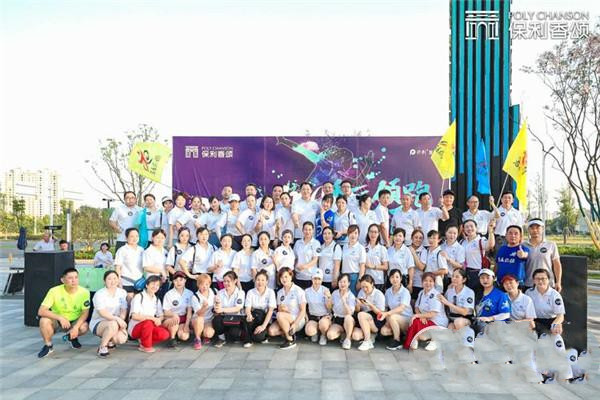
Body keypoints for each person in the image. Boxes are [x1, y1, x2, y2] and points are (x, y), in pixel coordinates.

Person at [37, 268, 90, 358]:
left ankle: (72, 336)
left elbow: (85, 312)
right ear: (63, 280)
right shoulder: (54, 291)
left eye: (76, 277)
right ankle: (48, 346)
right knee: (44, 321)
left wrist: (76, 327)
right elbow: (41, 311)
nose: (74, 280)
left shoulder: (84, 292)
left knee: (84, 327)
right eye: (70, 278)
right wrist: (60, 318)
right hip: (57, 320)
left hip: (74, 320)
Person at [403, 272, 448, 351]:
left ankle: (418, 339)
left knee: (415, 320)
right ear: (422, 282)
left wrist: (418, 316)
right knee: (415, 321)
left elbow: (433, 314)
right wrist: (421, 316)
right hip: (426, 319)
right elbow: (416, 307)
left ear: (434, 283)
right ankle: (414, 340)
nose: (428, 283)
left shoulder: (436, 295)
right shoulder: (421, 293)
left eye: (431, 281)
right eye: (425, 281)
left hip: (437, 322)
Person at [90, 270, 128, 357]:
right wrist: (117, 320)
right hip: (99, 322)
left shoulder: (122, 292)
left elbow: (123, 309)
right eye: (109, 279)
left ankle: (110, 340)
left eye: (115, 278)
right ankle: (102, 347)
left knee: (121, 339)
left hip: (115, 322)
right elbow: (102, 313)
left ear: (118, 280)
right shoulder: (99, 294)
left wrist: (121, 320)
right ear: (104, 281)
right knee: (113, 324)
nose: (112, 281)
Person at [128, 275, 170, 353]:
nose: (155, 287)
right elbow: (134, 316)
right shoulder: (139, 297)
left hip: (149, 327)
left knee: (164, 334)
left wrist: (159, 319)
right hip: (136, 328)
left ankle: (143, 341)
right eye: (153, 284)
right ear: (147, 285)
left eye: (157, 285)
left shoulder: (156, 299)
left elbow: (161, 315)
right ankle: (146, 346)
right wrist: (152, 318)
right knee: (148, 322)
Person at [268, 268, 307, 349]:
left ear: (291, 276)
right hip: (284, 318)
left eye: (286, 276)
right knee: (271, 331)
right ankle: (290, 332)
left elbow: (303, 311)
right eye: (281, 277)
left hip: (297, 319)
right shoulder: (280, 292)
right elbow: (279, 309)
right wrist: (283, 309)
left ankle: (290, 340)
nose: (284, 279)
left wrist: (295, 324)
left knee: (280, 315)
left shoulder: (298, 290)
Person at [461, 219, 496, 301]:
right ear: (464, 229)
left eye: (471, 226)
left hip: (477, 272)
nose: (469, 229)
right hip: (465, 272)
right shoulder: (462, 241)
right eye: (466, 227)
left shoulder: (480, 240)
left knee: (477, 297)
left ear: (476, 228)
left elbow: (490, 245)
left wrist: (490, 231)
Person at [524, 218, 562, 292]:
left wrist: (558, 282)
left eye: (538, 227)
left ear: (543, 229)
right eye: (532, 228)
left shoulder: (551, 245)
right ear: (528, 230)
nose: (535, 230)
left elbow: (557, 264)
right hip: (529, 284)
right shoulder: (523, 245)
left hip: (547, 284)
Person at [526, 269, 565, 340]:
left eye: (543, 278)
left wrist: (555, 324)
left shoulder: (554, 294)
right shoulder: (529, 293)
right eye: (537, 279)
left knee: (556, 338)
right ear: (534, 280)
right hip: (535, 321)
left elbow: (560, 315)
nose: (540, 281)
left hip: (551, 321)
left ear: (548, 280)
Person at [242, 270, 276, 347]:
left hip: (265, 318)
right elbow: (247, 307)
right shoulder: (250, 292)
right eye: (258, 280)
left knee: (258, 337)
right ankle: (248, 340)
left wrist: (263, 326)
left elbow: (270, 311)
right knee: (248, 318)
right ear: (255, 280)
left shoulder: (270, 292)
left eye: (263, 280)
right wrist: (249, 315)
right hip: (254, 317)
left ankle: (262, 334)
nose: (260, 282)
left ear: (267, 282)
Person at [381, 269, 413, 350]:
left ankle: (397, 341)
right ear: (389, 279)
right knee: (384, 331)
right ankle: (401, 336)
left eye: (397, 277)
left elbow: (401, 308)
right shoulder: (388, 291)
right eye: (392, 277)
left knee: (392, 317)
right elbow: (385, 307)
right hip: (393, 318)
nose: (394, 279)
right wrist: (387, 320)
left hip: (406, 319)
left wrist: (387, 314)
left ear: (401, 278)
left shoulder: (405, 292)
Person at [212, 271, 246, 348]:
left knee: (234, 334)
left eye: (228, 281)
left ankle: (236, 334)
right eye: (224, 281)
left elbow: (238, 308)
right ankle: (221, 338)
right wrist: (217, 306)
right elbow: (217, 308)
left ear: (235, 281)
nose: (226, 283)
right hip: (224, 317)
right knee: (216, 320)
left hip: (236, 318)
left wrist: (222, 309)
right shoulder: (220, 292)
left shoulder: (240, 293)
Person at [353, 275, 386, 351]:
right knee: (355, 336)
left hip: (376, 319)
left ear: (372, 284)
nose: (364, 289)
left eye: (366, 287)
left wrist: (370, 305)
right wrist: (358, 305)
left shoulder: (379, 294)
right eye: (362, 287)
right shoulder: (361, 292)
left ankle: (367, 341)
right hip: (363, 318)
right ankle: (370, 336)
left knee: (361, 315)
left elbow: (381, 314)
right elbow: (358, 310)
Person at [473, 268, 511, 334]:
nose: (485, 280)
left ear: (494, 278)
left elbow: (506, 314)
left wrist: (490, 318)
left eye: (488, 278)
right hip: (479, 323)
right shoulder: (477, 293)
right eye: (482, 278)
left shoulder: (500, 295)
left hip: (495, 325)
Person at [162, 271, 194, 347]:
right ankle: (172, 338)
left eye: (181, 280)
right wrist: (173, 315)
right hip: (171, 318)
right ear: (173, 282)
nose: (178, 282)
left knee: (184, 336)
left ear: (185, 280)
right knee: (175, 321)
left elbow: (189, 311)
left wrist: (187, 325)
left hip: (183, 318)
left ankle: (178, 333)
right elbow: (165, 312)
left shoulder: (189, 293)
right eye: (176, 280)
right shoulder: (168, 294)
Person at [327, 273, 357, 350]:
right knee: (330, 335)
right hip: (338, 319)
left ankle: (348, 338)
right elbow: (330, 307)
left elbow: (350, 313)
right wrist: (329, 298)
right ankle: (343, 333)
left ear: (349, 283)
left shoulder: (351, 296)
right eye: (340, 282)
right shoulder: (335, 293)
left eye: (344, 282)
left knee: (348, 317)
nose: (342, 284)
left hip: (348, 320)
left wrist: (344, 301)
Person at [114, 227, 144, 301]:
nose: (135, 238)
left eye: (137, 236)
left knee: (138, 302)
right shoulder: (122, 250)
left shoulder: (141, 249)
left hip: (140, 282)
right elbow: (117, 267)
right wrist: (119, 282)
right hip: (126, 282)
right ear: (126, 238)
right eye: (132, 236)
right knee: (129, 303)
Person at [304, 269, 332, 346]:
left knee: (323, 324)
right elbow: (303, 306)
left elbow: (329, 308)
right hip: (313, 317)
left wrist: (328, 297)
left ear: (322, 280)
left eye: (319, 279)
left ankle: (323, 335)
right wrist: (306, 317)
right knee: (309, 331)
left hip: (324, 316)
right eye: (315, 279)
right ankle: (316, 331)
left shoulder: (325, 290)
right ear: (312, 279)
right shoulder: (307, 291)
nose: (317, 281)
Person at [166, 227, 196, 291]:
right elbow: (168, 266)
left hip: (191, 276)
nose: (184, 238)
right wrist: (177, 274)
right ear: (178, 236)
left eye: (187, 236)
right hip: (178, 277)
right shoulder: (175, 248)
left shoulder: (193, 247)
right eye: (182, 235)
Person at [190, 274, 216, 349]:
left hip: (208, 320)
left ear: (210, 284)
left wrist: (218, 303)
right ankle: (197, 338)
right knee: (199, 319)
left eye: (207, 284)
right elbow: (199, 314)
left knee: (209, 334)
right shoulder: (195, 297)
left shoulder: (214, 291)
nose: (204, 287)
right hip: (197, 319)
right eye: (202, 284)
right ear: (198, 285)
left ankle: (203, 334)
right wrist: (204, 307)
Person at [338, 225, 366, 295]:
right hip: (344, 276)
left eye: (356, 233)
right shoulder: (345, 246)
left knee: (352, 297)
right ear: (348, 234)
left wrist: (359, 280)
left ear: (358, 235)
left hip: (354, 277)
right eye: (351, 233)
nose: (353, 235)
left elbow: (362, 266)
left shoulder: (361, 248)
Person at [142, 229, 169, 300]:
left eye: (162, 238)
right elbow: (146, 267)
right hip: (153, 281)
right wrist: (161, 271)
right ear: (152, 238)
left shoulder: (165, 251)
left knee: (162, 301)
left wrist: (165, 276)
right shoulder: (148, 251)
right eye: (157, 237)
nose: (160, 240)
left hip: (164, 281)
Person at [293, 222, 321, 289]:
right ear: (302, 230)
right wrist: (295, 268)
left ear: (313, 231)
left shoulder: (316, 243)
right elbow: (295, 258)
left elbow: (315, 260)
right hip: (299, 276)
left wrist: (304, 266)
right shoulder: (298, 243)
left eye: (309, 229)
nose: (307, 232)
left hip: (310, 277)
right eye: (305, 229)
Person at [363, 224, 389, 292]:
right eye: (371, 232)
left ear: (378, 233)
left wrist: (372, 266)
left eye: (375, 232)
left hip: (378, 280)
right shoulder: (363, 247)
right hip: (366, 281)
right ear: (368, 233)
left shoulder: (382, 248)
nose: (373, 234)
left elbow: (386, 267)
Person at [408, 229, 427, 301]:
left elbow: (421, 267)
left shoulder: (424, 251)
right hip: (407, 281)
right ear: (411, 238)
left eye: (420, 238)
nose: (418, 240)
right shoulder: (406, 249)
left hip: (418, 282)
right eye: (416, 237)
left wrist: (413, 252)